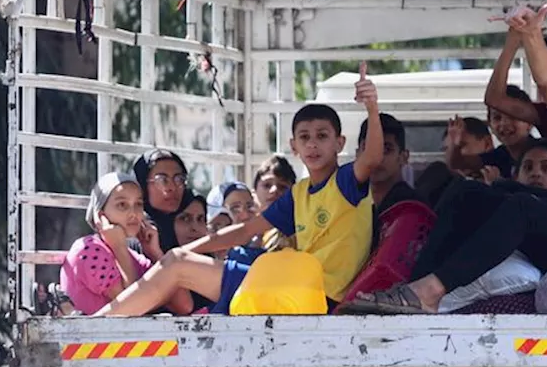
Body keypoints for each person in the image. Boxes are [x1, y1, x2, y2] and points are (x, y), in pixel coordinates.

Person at [346, 7, 547, 314]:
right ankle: (412, 291)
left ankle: (431, 293)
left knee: (522, 209)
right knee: (470, 193)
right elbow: (544, 78)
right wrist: (527, 34)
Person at [96, 62, 385, 316]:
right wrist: (188, 248)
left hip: (309, 295)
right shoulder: (300, 193)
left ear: (340, 143)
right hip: (289, 287)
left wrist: (371, 108)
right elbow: (245, 231)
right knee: (177, 260)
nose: (312, 144)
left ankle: (96, 327)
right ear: (293, 146)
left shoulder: (346, 182)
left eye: (322, 136)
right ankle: (101, 323)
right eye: (304, 137)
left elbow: (371, 158)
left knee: (177, 264)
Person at [60, 171, 191, 315]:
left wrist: (155, 253)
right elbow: (132, 309)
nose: (134, 213)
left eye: (138, 204)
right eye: (122, 205)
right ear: (100, 215)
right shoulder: (89, 249)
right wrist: (119, 248)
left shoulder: (133, 256)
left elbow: (184, 305)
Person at [134, 149, 190, 251]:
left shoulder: (192, 226)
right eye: (162, 180)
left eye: (179, 179)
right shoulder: (137, 233)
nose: (172, 187)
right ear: (142, 186)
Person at [252, 154, 298, 251]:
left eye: (282, 187)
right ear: (254, 191)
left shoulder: (294, 229)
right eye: (267, 185)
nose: (274, 190)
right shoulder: (243, 225)